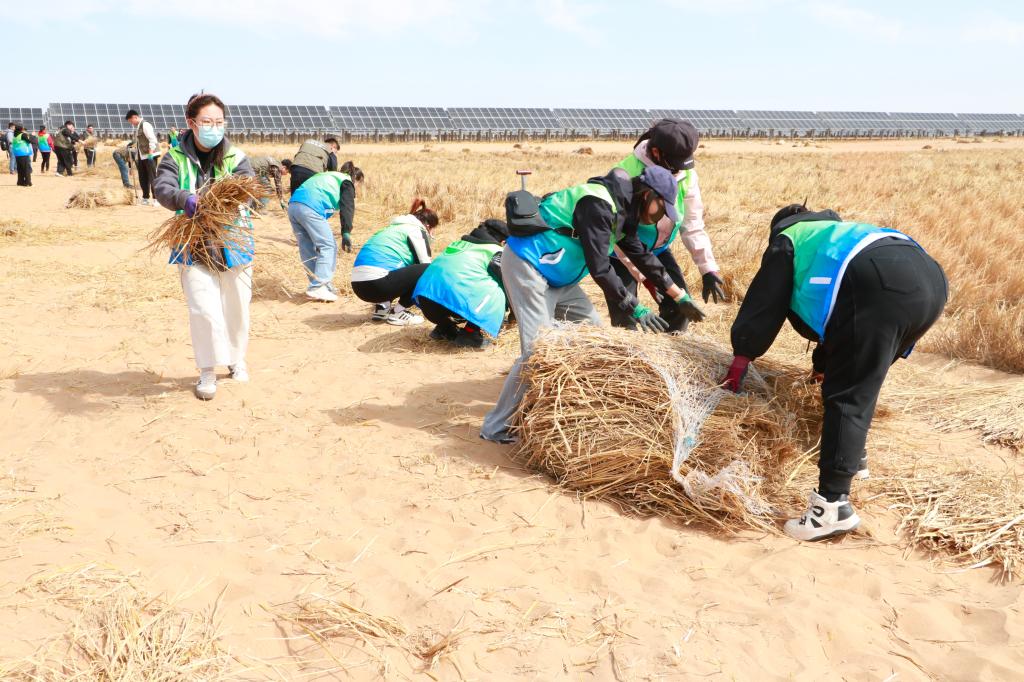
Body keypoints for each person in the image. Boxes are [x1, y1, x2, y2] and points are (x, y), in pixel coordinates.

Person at [722, 204, 948, 541]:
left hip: (881, 284)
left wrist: (741, 359)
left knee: (847, 395)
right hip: (931, 283)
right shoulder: (834, 236)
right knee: (860, 377)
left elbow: (763, 305)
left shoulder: (788, 238)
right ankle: (853, 457)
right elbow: (840, 316)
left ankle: (831, 507)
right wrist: (822, 368)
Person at [480, 166, 707, 444]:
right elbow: (600, 268)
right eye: (661, 208)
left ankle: (563, 410)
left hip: (561, 278)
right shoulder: (598, 204)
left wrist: (678, 296)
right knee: (537, 351)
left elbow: (642, 256)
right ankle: (496, 427)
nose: (661, 216)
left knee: (593, 339)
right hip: (530, 266)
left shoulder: (626, 210)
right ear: (648, 195)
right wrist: (635, 307)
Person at [154, 92, 255, 401]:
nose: (214, 127)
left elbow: (248, 186)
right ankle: (207, 370)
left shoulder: (235, 157)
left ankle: (236, 359)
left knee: (236, 306)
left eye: (219, 122)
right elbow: (162, 188)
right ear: (192, 123)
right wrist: (186, 199)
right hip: (193, 242)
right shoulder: (174, 157)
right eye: (207, 122)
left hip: (232, 241)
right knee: (203, 309)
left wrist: (227, 201)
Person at [606, 119, 726, 332]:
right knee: (627, 317)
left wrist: (708, 268)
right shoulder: (626, 173)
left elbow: (692, 224)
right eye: (675, 164)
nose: (679, 170)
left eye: (683, 164)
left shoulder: (686, 174)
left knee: (680, 308)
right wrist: (647, 278)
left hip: (658, 249)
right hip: (621, 254)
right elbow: (619, 237)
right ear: (656, 152)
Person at [414, 219, 510, 348]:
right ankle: (470, 334)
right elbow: (509, 285)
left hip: (425, 300)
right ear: (503, 242)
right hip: (452, 301)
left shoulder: (458, 244)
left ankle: (445, 328)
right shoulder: (495, 251)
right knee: (498, 289)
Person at [351, 199, 439, 325]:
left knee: (395, 266)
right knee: (429, 270)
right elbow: (425, 264)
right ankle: (398, 312)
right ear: (429, 226)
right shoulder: (416, 230)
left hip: (358, 286)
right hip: (378, 285)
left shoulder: (391, 229)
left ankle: (382, 308)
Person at [286, 165, 363, 302]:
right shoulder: (346, 182)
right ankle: (318, 286)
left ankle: (319, 286)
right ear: (356, 179)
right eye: (358, 184)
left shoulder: (328, 176)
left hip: (293, 206)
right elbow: (347, 207)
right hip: (310, 207)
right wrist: (346, 232)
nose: (357, 188)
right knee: (328, 246)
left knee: (308, 249)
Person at [126, 109, 159, 205]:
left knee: (152, 177)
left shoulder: (145, 125)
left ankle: (156, 199)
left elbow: (152, 139)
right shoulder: (137, 127)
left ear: (135, 117)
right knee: (143, 177)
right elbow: (138, 142)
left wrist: (150, 152)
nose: (131, 123)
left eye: (131, 121)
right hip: (141, 155)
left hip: (150, 155)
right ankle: (145, 198)